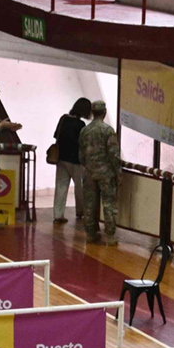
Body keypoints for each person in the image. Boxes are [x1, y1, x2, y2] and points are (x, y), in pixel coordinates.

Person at [80, 100, 122, 244]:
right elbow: (113, 154)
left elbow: (81, 155)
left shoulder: (84, 131)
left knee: (90, 204)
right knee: (109, 204)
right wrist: (118, 173)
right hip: (106, 174)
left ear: (92, 113)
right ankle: (110, 236)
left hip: (89, 173)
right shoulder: (108, 130)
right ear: (104, 113)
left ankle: (90, 234)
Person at [50, 97, 90, 226]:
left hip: (61, 158)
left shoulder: (63, 119)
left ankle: (58, 214)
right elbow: (83, 144)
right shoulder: (81, 125)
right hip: (76, 161)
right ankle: (80, 211)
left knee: (61, 186)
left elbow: (56, 135)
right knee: (80, 187)